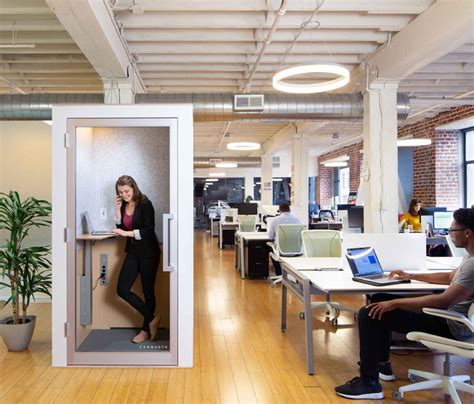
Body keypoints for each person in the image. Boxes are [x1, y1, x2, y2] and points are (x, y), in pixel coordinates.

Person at [335, 208, 474, 400]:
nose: (450, 234)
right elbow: (450, 277)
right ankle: (381, 363)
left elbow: (444, 301)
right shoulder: (469, 257)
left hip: (453, 325)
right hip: (454, 319)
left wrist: (396, 303)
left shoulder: (473, 264)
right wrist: (411, 275)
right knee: (378, 299)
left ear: (467, 232)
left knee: (368, 314)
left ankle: (369, 383)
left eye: (453, 230)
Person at [113, 175, 161, 344]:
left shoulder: (145, 204)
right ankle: (151, 319)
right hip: (133, 251)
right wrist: (118, 211)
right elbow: (121, 228)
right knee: (122, 289)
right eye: (121, 192)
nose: (124, 194)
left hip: (149, 253)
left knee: (148, 291)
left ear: (134, 188)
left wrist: (126, 233)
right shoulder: (124, 204)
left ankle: (145, 330)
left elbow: (148, 230)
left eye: (127, 191)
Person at [267, 202, 302, 276]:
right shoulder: (297, 220)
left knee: (270, 248)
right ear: (290, 210)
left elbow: (270, 237)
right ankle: (293, 274)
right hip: (296, 251)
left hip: (281, 251)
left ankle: (279, 273)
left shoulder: (275, 220)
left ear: (279, 210)